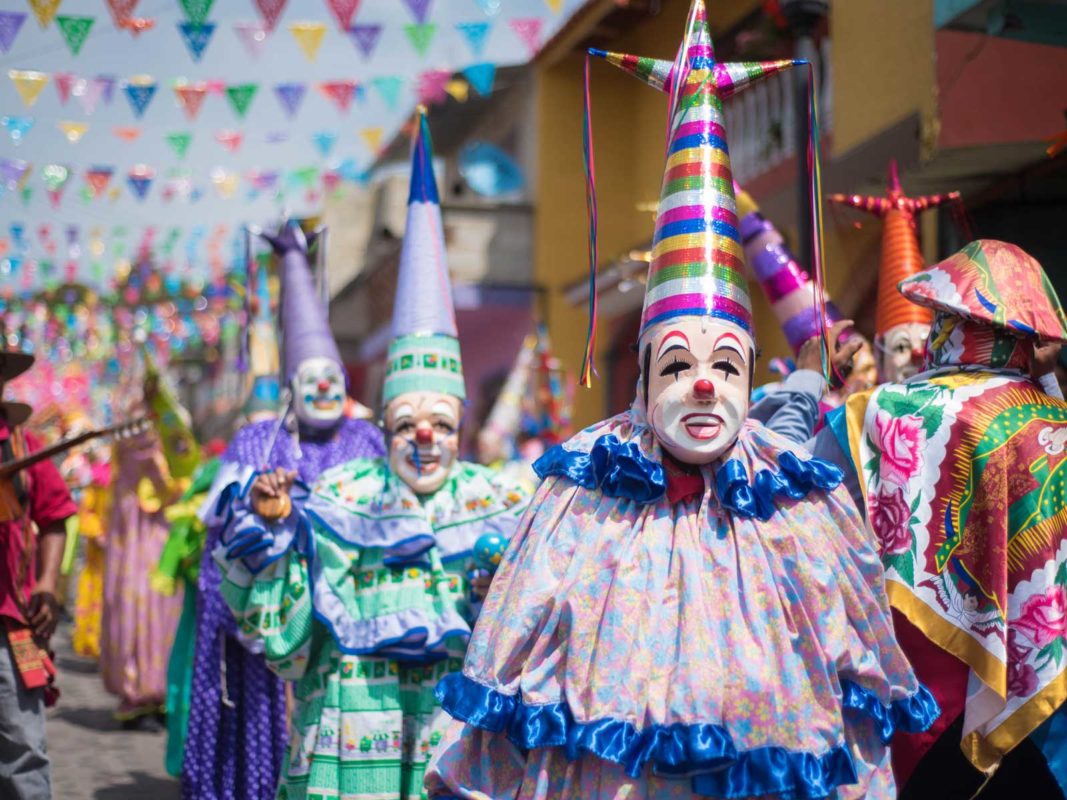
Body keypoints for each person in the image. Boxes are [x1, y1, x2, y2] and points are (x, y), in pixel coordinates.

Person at [424, 4, 937, 797]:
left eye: (728, 369)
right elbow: (508, 645)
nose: (704, 385)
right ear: (640, 383)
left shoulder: (798, 500)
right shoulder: (576, 497)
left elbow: (853, 657)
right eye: (676, 367)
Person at [211, 108, 530, 800]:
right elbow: (283, 645)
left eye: (441, 423)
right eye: (407, 422)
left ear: (462, 428)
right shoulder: (337, 503)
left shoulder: (502, 505)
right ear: (383, 427)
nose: (424, 437)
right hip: (346, 750)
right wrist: (266, 534)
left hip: (454, 746)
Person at [805, 240, 1067, 796]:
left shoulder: (878, 413)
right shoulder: (1056, 424)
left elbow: (793, 507)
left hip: (922, 700)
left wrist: (804, 385)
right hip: (1048, 712)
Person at [181, 221, 386, 800]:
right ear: (293, 384)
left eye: (333, 379)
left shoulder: (368, 440)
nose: (324, 389)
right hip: (275, 620)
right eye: (311, 380)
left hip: (351, 618)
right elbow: (216, 521)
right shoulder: (256, 441)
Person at [0, 349, 76, 799]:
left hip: (12, 624)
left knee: (23, 746)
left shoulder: (24, 448)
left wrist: (47, 584)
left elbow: (55, 518)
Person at [99, 359, 189, 729]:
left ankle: (156, 691)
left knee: (157, 605)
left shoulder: (159, 425)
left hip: (152, 528)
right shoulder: (139, 429)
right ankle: (139, 691)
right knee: (139, 604)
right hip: (139, 530)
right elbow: (166, 469)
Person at [828, 161, 959, 384]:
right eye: (901, 346)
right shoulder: (858, 415)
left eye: (927, 343)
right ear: (879, 356)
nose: (917, 356)